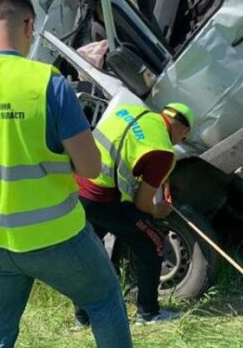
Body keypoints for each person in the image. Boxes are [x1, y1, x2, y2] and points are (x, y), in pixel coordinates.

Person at [0, 0, 132, 348]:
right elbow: (88, 165)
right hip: (58, 237)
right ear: (29, 26)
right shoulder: (47, 83)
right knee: (103, 301)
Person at [74, 102, 194, 326]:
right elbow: (141, 204)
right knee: (153, 243)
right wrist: (158, 210)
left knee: (90, 251)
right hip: (104, 198)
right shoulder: (162, 151)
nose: (181, 141)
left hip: (79, 188)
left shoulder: (131, 110)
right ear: (181, 129)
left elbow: (124, 153)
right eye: (185, 137)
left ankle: (83, 318)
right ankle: (148, 314)